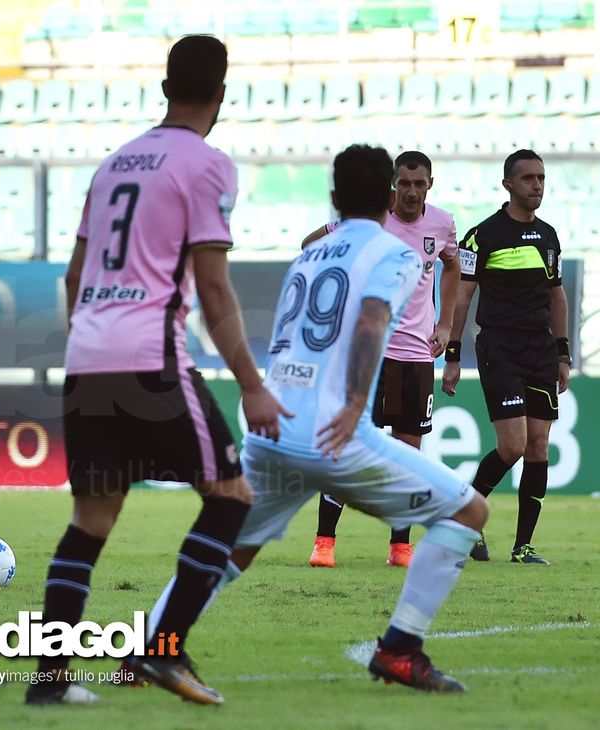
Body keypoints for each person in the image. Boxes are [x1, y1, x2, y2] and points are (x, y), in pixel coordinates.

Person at [143, 144, 490, 693]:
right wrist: (355, 405)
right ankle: (400, 649)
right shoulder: (394, 252)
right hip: (330, 430)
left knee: (236, 548)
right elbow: (374, 319)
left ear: (332, 198)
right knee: (469, 511)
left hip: (272, 426)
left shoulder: (309, 255)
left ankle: (152, 649)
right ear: (387, 195)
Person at [24, 35, 291, 707]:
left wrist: (93, 336)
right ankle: (163, 649)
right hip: (151, 355)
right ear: (221, 94)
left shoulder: (113, 163)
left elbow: (76, 276)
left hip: (87, 356)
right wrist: (253, 386)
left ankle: (49, 681)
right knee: (231, 497)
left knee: (92, 518)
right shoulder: (206, 164)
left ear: (164, 86)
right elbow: (215, 287)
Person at [299, 151, 460, 569]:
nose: (410, 191)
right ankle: (324, 542)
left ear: (430, 184)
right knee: (346, 445)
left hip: (415, 356)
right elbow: (310, 244)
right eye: (403, 183)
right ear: (392, 185)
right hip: (367, 353)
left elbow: (454, 265)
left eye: (418, 183)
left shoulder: (441, 223)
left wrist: (445, 324)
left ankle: (400, 547)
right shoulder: (369, 219)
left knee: (408, 451)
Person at [442, 149, 569, 565]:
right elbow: (462, 296)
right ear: (508, 185)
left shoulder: (549, 236)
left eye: (542, 178)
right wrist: (454, 355)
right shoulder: (482, 236)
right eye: (529, 178)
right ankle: (466, 519)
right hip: (499, 349)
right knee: (512, 446)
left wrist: (563, 353)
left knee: (538, 447)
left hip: (540, 351)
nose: (537, 185)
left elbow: (557, 296)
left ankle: (523, 546)